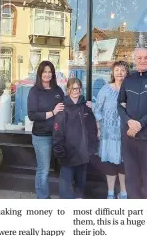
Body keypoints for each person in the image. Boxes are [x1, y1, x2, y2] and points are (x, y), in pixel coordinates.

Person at [117, 48, 147, 199]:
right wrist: (129, 121)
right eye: (139, 58)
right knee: (131, 177)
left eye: (146, 58)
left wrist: (140, 124)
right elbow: (120, 104)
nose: (143, 61)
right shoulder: (128, 80)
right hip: (129, 136)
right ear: (135, 60)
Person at [52, 78, 98, 199]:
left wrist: (92, 148)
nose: (75, 91)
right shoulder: (62, 108)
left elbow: (93, 129)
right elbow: (57, 133)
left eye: (77, 88)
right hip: (67, 154)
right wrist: (60, 152)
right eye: (72, 88)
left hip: (83, 154)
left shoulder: (86, 107)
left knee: (80, 188)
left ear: (81, 89)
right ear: (68, 89)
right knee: (66, 189)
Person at [27, 60, 65, 199]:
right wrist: (53, 112)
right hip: (41, 136)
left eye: (50, 72)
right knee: (44, 170)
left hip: (58, 136)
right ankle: (43, 199)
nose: (47, 74)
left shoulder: (58, 90)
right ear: (40, 73)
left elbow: (66, 107)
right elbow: (32, 115)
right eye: (45, 72)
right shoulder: (34, 91)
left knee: (63, 168)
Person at [94, 61, 129, 199]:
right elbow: (97, 110)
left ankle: (124, 193)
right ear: (112, 73)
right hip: (108, 134)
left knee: (123, 163)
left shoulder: (129, 90)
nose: (120, 73)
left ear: (127, 73)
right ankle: (110, 193)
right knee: (110, 164)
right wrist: (99, 127)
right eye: (117, 70)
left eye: (123, 70)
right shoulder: (105, 90)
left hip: (125, 133)